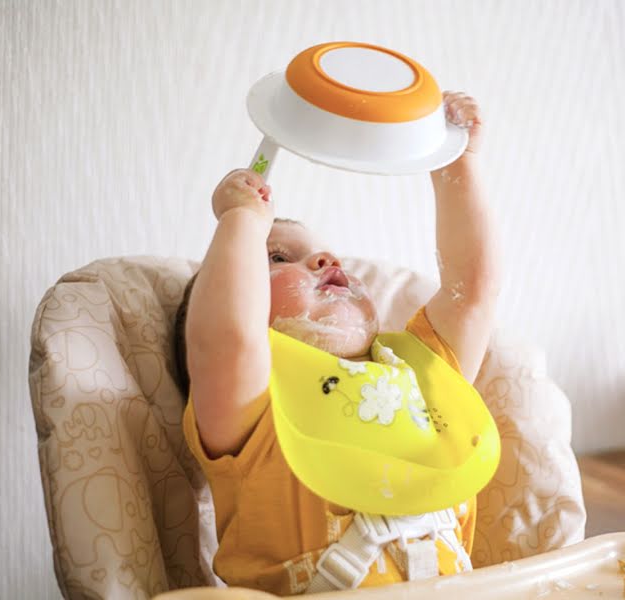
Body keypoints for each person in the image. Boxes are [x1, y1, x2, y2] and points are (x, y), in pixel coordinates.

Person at [172, 92, 500, 595]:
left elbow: (472, 289)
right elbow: (226, 339)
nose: (324, 258)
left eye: (321, 252)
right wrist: (241, 220)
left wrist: (457, 161)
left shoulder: (418, 368)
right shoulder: (251, 407)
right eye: (278, 258)